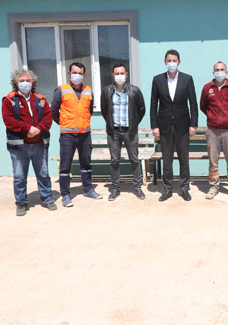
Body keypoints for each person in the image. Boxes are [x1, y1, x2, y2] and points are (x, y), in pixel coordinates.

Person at [2, 69, 56, 216]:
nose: (25, 83)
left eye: (28, 80)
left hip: (39, 144)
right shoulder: (9, 100)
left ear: (33, 82)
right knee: (19, 176)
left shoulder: (41, 99)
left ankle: (47, 199)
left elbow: (48, 117)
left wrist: (38, 129)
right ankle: (21, 202)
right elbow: (8, 120)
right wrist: (28, 128)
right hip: (19, 146)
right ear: (15, 82)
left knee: (43, 173)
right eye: (21, 81)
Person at [51, 62, 103, 207]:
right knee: (65, 166)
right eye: (74, 72)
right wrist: (64, 123)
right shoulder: (61, 90)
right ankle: (65, 195)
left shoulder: (88, 90)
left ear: (84, 75)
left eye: (80, 73)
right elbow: (54, 110)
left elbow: (89, 111)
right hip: (67, 135)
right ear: (69, 73)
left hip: (85, 134)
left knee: (86, 164)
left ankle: (88, 190)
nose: (77, 75)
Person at [150, 49, 198, 202]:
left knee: (184, 159)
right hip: (164, 126)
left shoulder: (187, 79)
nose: (172, 63)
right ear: (165, 62)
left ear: (179, 62)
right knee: (167, 160)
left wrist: (193, 125)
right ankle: (167, 189)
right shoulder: (157, 80)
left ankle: (184, 189)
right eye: (169, 60)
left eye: (174, 60)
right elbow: (153, 104)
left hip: (183, 126)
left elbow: (193, 103)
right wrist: (154, 126)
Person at [200, 61, 228, 200]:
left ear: (226, 72)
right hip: (212, 131)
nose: (219, 72)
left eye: (222, 69)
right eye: (217, 69)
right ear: (213, 72)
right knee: (213, 161)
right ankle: (213, 187)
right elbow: (203, 106)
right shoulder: (207, 88)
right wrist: (212, 116)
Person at [100, 64, 146, 201]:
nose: (119, 76)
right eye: (117, 73)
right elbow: (104, 110)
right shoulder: (107, 91)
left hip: (130, 132)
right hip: (113, 132)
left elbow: (141, 110)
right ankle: (115, 189)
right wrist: (111, 124)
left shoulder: (134, 91)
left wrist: (133, 124)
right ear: (113, 75)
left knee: (134, 159)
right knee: (114, 160)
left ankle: (138, 187)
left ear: (126, 74)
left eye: (122, 73)